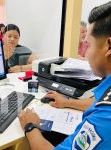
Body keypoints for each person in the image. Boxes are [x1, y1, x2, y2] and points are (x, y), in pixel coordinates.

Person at [18, 2, 111, 149]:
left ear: (108, 46)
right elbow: (96, 102)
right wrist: (67, 102)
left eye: (89, 45)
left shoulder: (104, 119)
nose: (86, 53)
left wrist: (30, 126)